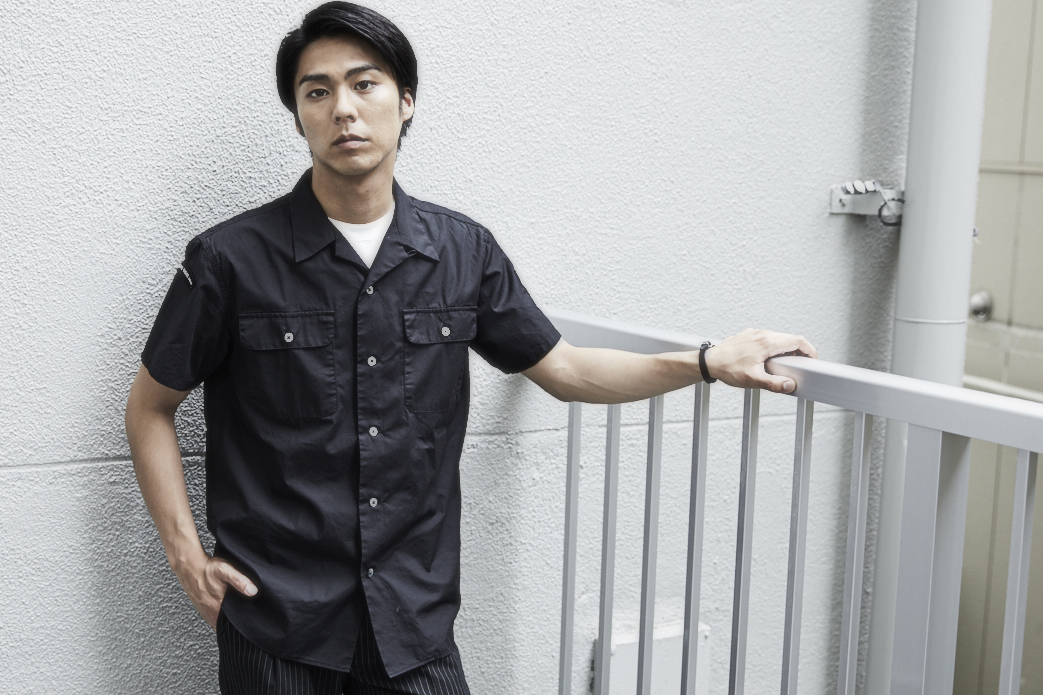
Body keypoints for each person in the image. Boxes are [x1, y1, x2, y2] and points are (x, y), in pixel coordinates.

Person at [124, 3, 817, 693]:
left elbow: (566, 368)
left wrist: (707, 362)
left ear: (405, 101)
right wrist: (187, 559)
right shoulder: (229, 259)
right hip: (277, 619)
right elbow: (149, 408)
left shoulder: (462, 252)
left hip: (410, 620)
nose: (344, 109)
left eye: (364, 84)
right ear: (298, 115)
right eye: (317, 91)